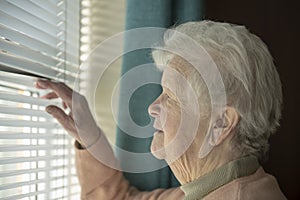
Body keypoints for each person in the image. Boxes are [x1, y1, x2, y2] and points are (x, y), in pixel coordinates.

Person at [35, 20, 287, 199]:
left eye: (172, 97)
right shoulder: (211, 186)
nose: (152, 107)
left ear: (221, 124)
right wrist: (90, 138)